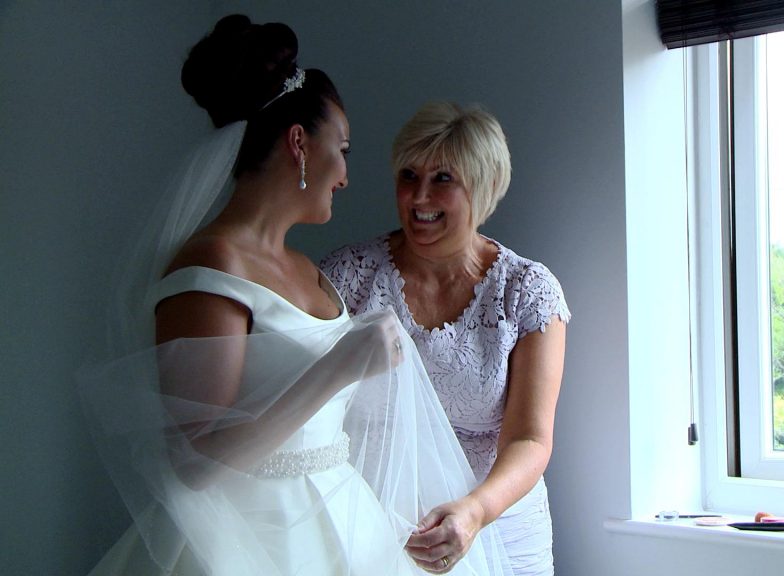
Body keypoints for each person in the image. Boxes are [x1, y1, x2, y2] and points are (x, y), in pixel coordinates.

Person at [80, 17, 510, 576]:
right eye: (344, 149)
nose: (346, 176)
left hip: (344, 521)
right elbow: (193, 463)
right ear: (300, 144)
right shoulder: (212, 266)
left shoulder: (308, 271)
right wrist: (339, 366)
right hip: (250, 542)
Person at [321, 101, 570, 575]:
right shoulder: (349, 277)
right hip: (380, 529)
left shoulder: (527, 292)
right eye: (409, 176)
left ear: (483, 187)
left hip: (499, 526)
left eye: (443, 180)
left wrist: (475, 511)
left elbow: (530, 439)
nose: (419, 197)